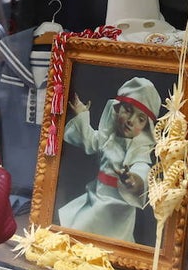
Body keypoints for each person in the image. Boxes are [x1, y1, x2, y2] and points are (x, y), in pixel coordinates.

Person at [57, 76, 161, 243]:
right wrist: (83, 115)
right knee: (80, 229)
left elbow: (142, 168)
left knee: (110, 239)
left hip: (119, 206)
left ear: (145, 127)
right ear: (116, 108)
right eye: (127, 110)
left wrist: (132, 180)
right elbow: (90, 140)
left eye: (140, 119)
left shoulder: (138, 151)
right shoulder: (107, 138)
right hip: (97, 195)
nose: (130, 121)